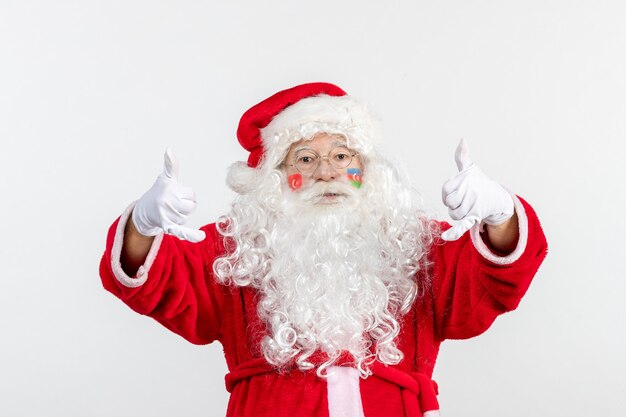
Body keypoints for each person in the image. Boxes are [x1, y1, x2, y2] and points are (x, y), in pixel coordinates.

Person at [100, 82, 547, 417]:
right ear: (277, 176)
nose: (327, 172)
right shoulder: (240, 249)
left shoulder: (412, 244)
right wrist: (143, 224)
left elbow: (494, 280)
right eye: (306, 159)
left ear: (366, 169)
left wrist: (499, 212)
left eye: (342, 156)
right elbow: (154, 277)